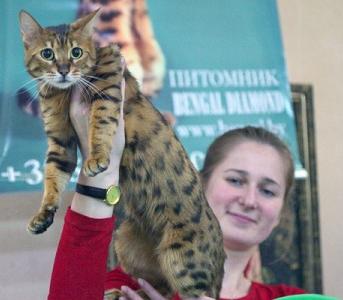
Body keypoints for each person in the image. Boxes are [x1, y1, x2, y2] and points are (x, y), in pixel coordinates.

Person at [48, 77, 306, 299]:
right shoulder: (131, 287)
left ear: (281, 212)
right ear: (199, 185)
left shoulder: (291, 299)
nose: (250, 200)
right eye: (235, 180)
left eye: (268, 191)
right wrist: (99, 174)